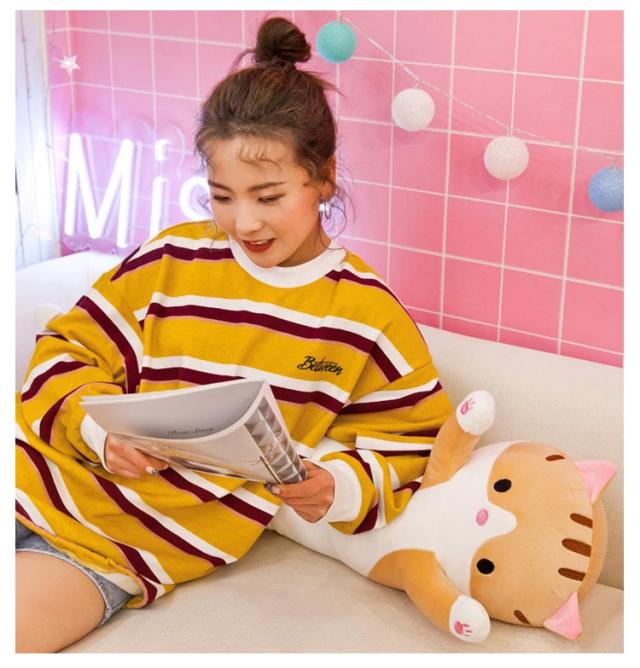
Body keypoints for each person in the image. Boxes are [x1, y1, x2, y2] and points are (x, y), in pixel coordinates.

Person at [15, 16, 453, 652]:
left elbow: (414, 444)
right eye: (222, 196)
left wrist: (338, 487)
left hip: (124, 545)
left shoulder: (364, 315)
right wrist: (97, 432)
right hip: (29, 472)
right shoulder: (171, 258)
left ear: (324, 177)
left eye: (268, 197)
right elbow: (64, 349)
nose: (243, 222)